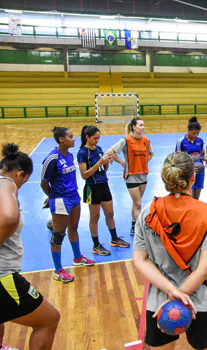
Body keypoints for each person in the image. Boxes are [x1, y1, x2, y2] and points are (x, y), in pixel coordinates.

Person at [133, 151, 207, 349]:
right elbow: (205, 268)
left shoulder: (148, 211)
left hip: (159, 301)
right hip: (199, 299)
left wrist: (171, 293)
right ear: (193, 177)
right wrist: (180, 294)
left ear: (165, 178)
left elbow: (139, 259)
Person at [0, 143, 60, 350]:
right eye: (25, 180)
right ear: (20, 174)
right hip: (2, 274)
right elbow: (8, 219)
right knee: (49, 319)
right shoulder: (7, 183)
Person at [41, 127, 95, 283]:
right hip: (60, 200)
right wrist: (52, 197)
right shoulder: (52, 158)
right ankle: (58, 270)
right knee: (58, 236)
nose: (74, 139)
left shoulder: (70, 155)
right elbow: (44, 183)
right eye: (70, 137)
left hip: (74, 198)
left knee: (73, 228)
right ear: (61, 140)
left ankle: (77, 258)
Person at [77, 125, 129, 256]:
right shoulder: (82, 153)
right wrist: (99, 163)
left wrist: (106, 162)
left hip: (104, 185)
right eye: (95, 138)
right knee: (95, 217)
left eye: (99, 138)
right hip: (91, 188)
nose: (97, 141)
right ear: (87, 138)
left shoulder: (98, 149)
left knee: (110, 213)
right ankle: (96, 245)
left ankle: (115, 238)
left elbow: (103, 170)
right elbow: (84, 175)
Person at [108, 117, 154, 235]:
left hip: (143, 175)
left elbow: (151, 153)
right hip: (131, 175)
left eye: (143, 125)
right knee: (138, 203)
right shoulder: (126, 140)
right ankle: (140, 230)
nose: (143, 127)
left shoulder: (146, 140)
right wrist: (122, 162)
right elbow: (110, 152)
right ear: (133, 127)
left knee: (136, 202)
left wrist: (144, 161)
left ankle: (133, 226)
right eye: (140, 125)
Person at [175, 117, 207, 200]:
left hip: (200, 170)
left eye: (197, 133)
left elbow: (202, 152)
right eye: (194, 133)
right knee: (189, 194)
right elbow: (177, 157)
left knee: (198, 193)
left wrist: (205, 158)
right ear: (188, 130)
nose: (195, 135)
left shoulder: (200, 140)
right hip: (188, 171)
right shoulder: (181, 141)